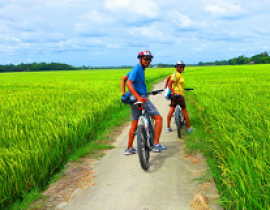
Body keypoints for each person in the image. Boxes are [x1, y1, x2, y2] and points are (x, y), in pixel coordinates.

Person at [121, 50, 167, 155]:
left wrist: (125, 95)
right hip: (140, 98)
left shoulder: (138, 69)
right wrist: (138, 97)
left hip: (133, 99)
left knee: (134, 122)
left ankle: (129, 148)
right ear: (140, 59)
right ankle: (156, 144)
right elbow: (129, 83)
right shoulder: (137, 68)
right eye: (145, 59)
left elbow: (123, 78)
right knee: (158, 119)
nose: (148, 61)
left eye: (149, 60)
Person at [166, 60, 195, 133]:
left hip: (174, 96)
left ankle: (168, 127)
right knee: (184, 111)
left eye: (183, 67)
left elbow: (168, 78)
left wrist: (166, 87)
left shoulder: (175, 74)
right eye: (180, 67)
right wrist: (174, 92)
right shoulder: (177, 75)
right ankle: (189, 128)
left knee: (171, 110)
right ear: (176, 67)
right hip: (179, 95)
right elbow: (169, 84)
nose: (182, 68)